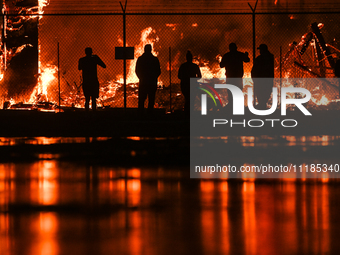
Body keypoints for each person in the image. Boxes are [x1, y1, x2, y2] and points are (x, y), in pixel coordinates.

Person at [220, 43, 250, 108]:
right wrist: (246, 55)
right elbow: (247, 60)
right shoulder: (239, 54)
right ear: (236, 48)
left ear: (229, 48)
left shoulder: (227, 55)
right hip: (238, 76)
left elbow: (221, 65)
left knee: (230, 90)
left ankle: (231, 104)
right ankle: (237, 105)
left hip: (230, 76)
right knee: (238, 90)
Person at [135, 44, 161, 113]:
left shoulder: (140, 59)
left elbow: (137, 70)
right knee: (151, 99)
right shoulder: (155, 60)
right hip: (152, 83)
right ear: (151, 50)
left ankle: (140, 114)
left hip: (143, 82)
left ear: (144, 50)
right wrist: (153, 78)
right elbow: (158, 71)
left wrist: (141, 78)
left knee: (141, 100)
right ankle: (150, 114)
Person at [251, 44, 274, 109]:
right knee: (266, 92)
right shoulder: (270, 58)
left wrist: (254, 78)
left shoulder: (259, 59)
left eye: (260, 50)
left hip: (260, 80)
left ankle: (261, 105)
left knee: (260, 92)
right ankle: (262, 104)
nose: (259, 51)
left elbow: (254, 70)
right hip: (268, 79)